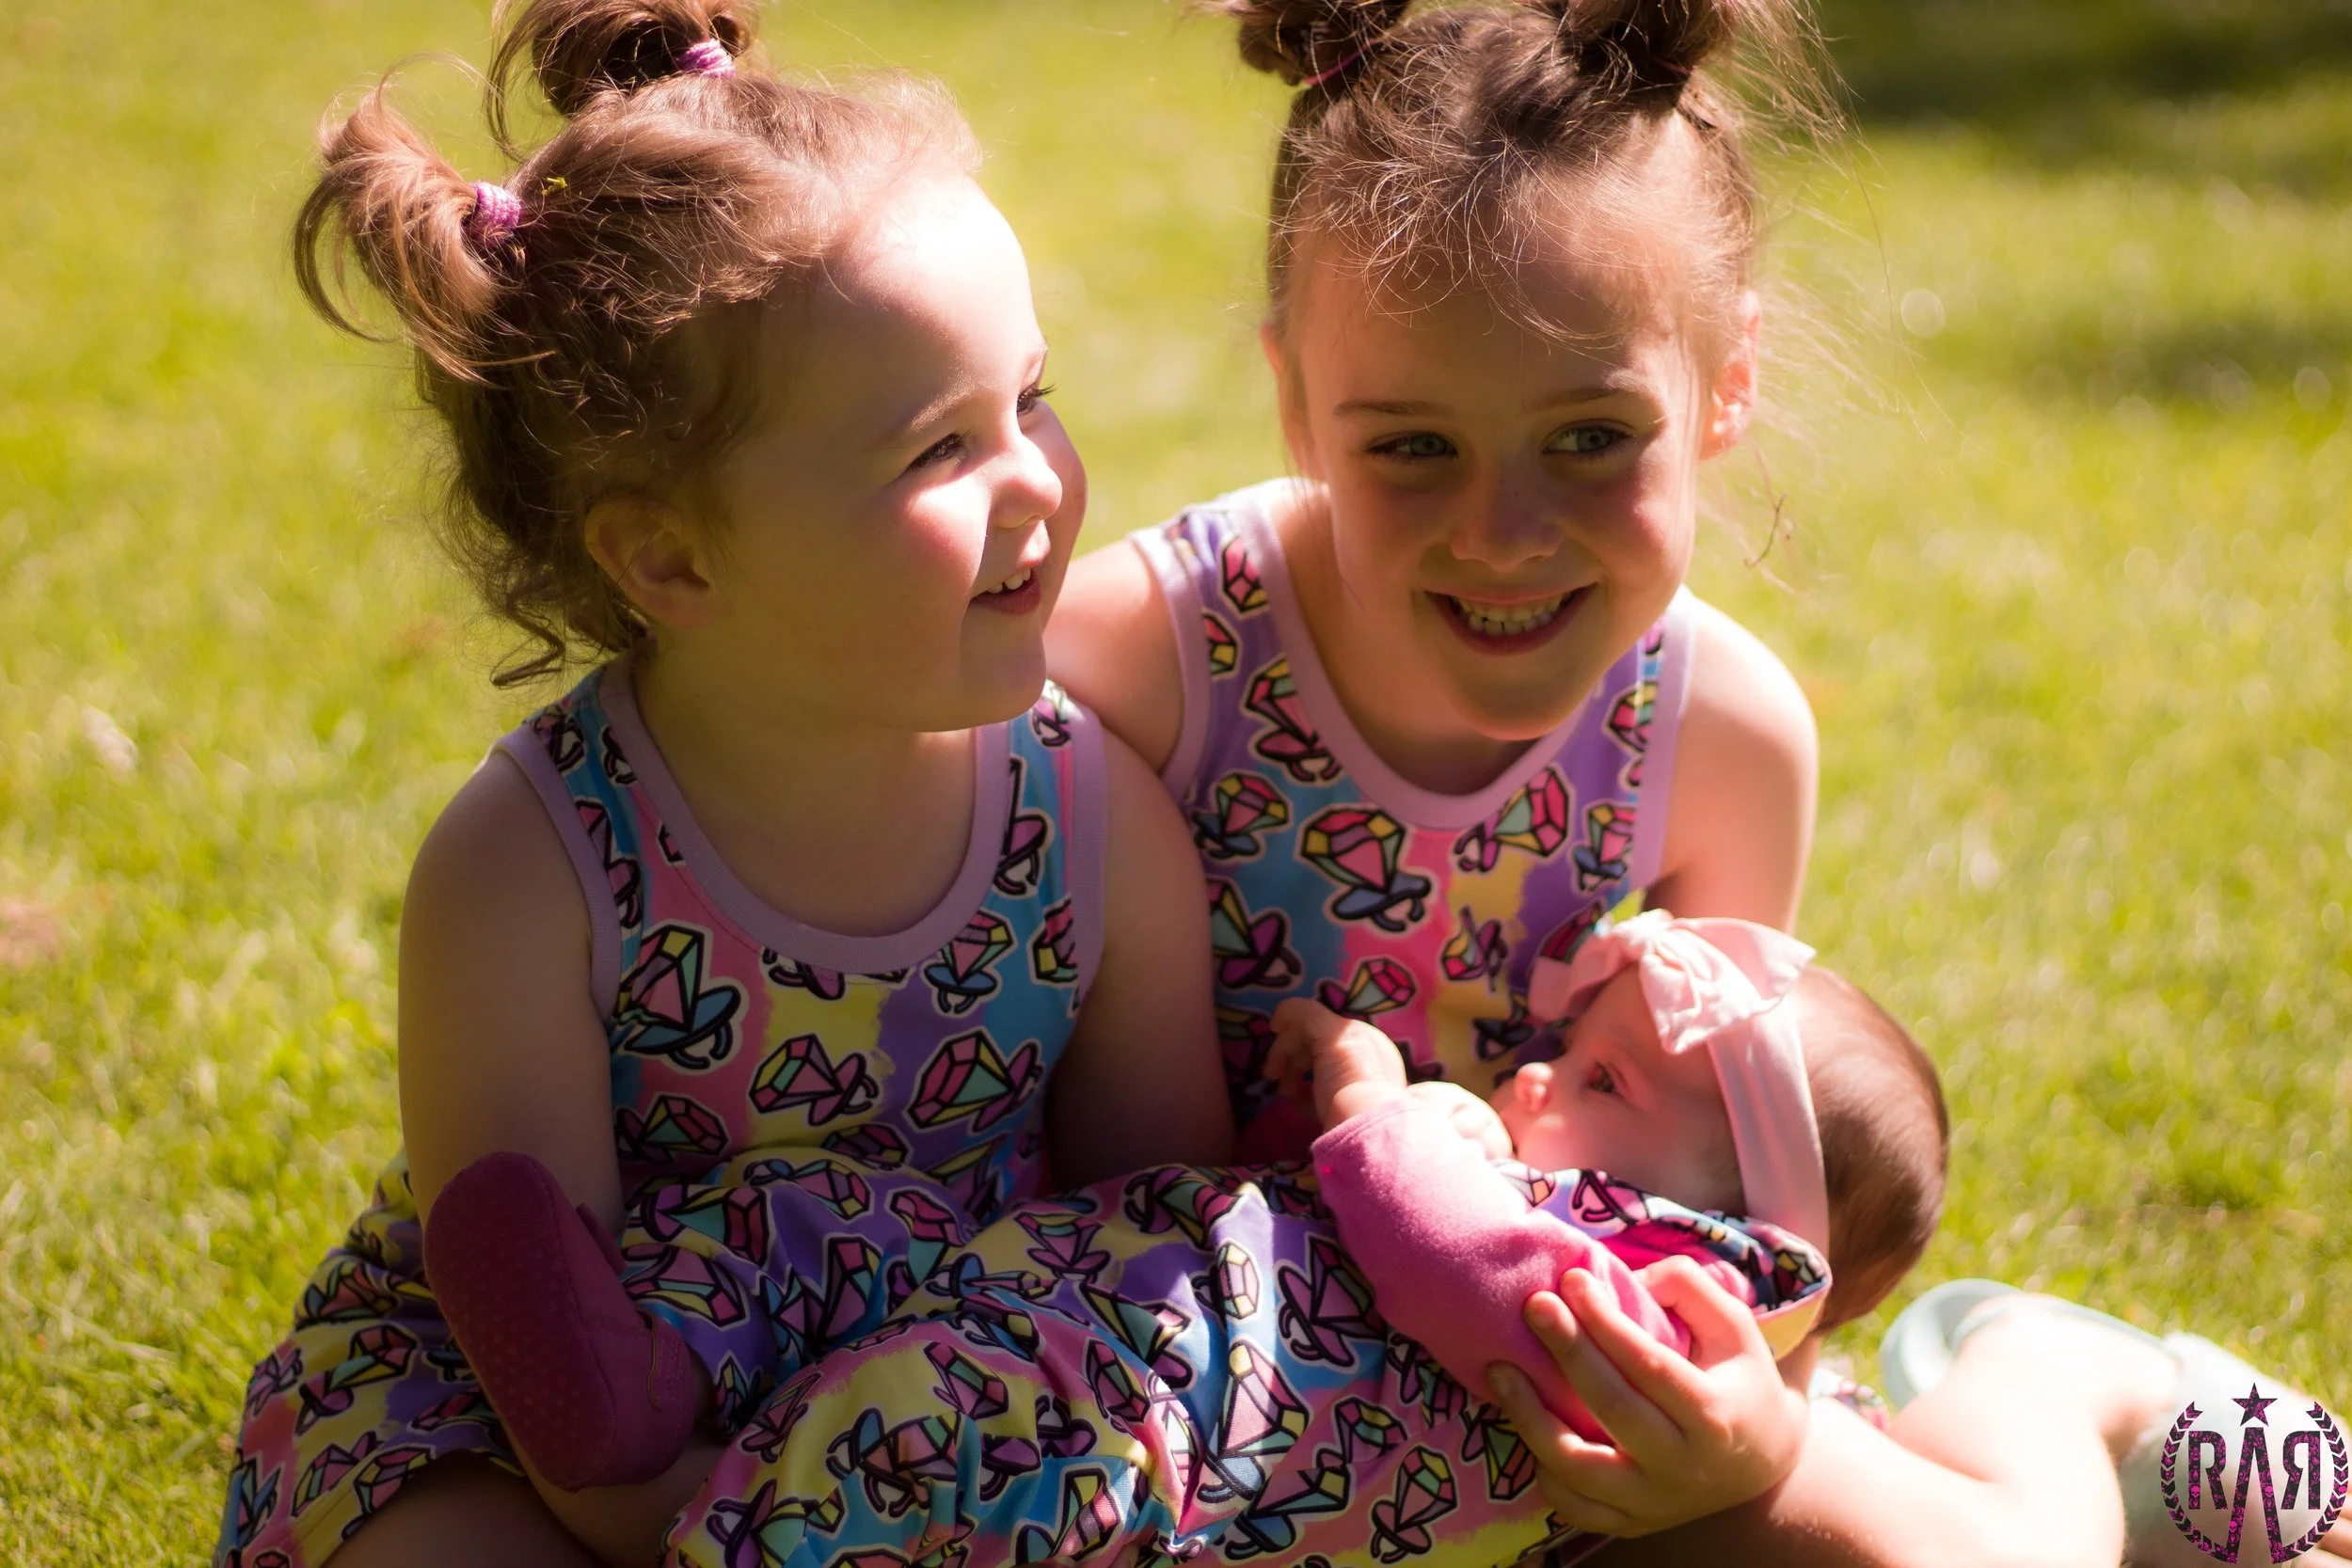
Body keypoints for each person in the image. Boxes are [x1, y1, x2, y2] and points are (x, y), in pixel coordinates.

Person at [1044, 0, 2242, 1559]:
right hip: (1184, 1363)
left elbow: (1749, 1229)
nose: (1504, 533)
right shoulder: (1144, 660)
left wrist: (1737, 1431)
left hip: (1516, 1376)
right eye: (1412, 447)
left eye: (1593, 437)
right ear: (1294, 399)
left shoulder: (1720, 733)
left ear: (1726, 381)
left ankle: (2053, 1399)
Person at [215, 4, 1234, 1564]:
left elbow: (1157, 1255)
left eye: (1027, 397)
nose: (1036, 477)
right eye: (933, 451)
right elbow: (558, 1388)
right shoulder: (525, 873)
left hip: (952, 1413)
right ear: (672, 554)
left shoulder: (1094, 827)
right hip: (578, 1443)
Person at [1287, 911, 1945, 1437]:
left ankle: (2003, 1342)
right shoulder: (1599, 1226)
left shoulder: (1673, 1305)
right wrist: (1466, 1150)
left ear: (1723, 1221)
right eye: (1570, 1050)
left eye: (1603, 1079)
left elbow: (1464, 1264)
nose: (1536, 1073)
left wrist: (1370, 1104)